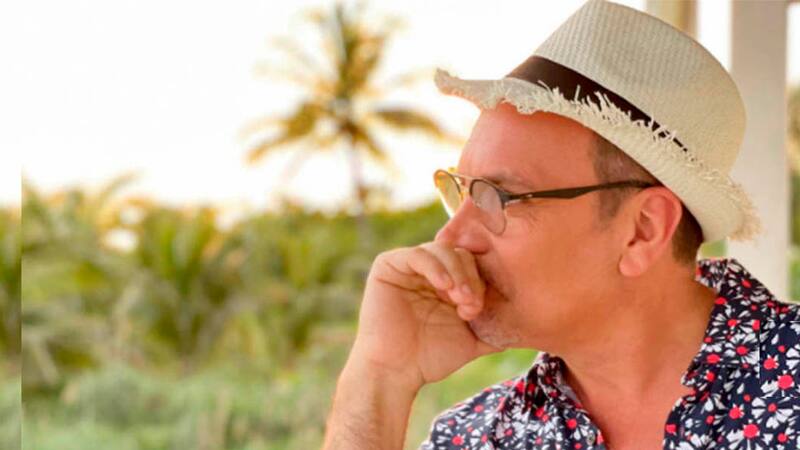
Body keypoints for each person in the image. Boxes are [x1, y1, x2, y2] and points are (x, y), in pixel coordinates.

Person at [322, 0, 799, 448]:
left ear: (643, 231)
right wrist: (380, 376)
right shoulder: (477, 436)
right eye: (463, 193)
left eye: (499, 198)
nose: (451, 237)